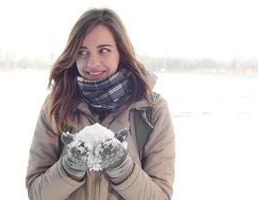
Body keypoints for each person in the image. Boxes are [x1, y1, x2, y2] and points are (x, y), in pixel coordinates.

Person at [26, 8, 175, 200]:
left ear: (121, 52)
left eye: (103, 50)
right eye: (82, 52)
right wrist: (71, 166)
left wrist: (121, 166)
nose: (92, 63)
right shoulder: (56, 106)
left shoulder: (151, 110)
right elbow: (37, 195)